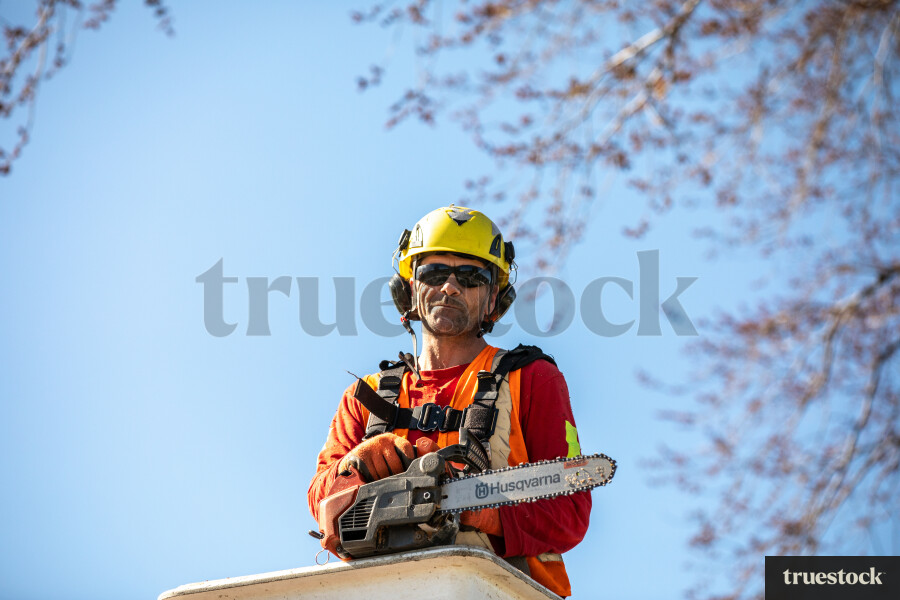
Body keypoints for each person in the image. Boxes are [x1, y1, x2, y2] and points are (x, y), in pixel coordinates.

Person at [308, 205, 591, 598]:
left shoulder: (532, 379)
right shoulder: (368, 397)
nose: (451, 287)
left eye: (472, 276)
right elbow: (319, 499)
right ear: (407, 288)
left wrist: (478, 507)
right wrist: (360, 462)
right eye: (435, 273)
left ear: (496, 297)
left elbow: (570, 513)